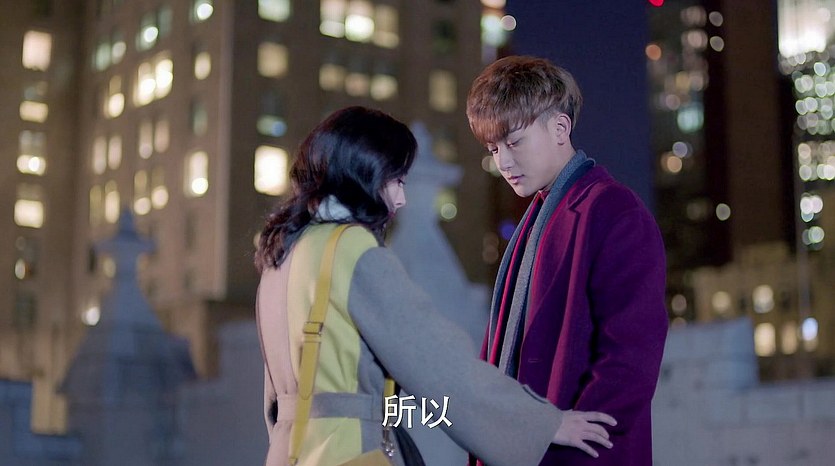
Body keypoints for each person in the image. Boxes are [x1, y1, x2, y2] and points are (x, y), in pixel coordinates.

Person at [254, 106, 616, 466]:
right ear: (365, 174)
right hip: (348, 451)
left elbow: (274, 401)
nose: (401, 200)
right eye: (397, 181)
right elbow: (439, 363)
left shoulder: (284, 254)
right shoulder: (351, 249)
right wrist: (543, 424)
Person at [466, 56, 669, 466]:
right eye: (493, 149)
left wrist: (559, 443)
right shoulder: (536, 218)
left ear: (560, 128)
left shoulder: (612, 210)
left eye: (514, 142)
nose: (503, 162)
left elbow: (631, 355)